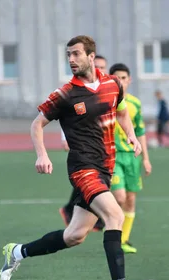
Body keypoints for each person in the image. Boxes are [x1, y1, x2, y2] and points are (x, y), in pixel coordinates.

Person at [0, 35, 143, 280]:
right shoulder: (65, 94)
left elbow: (122, 112)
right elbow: (36, 124)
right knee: (114, 215)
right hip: (82, 169)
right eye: (68, 55)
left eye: (76, 54)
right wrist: (42, 154)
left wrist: (132, 136)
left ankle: (17, 252)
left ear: (91, 56)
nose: (71, 60)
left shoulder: (112, 84)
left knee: (75, 235)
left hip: (104, 170)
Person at [59, 55, 108, 231]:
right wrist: (65, 138)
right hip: (85, 149)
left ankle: (78, 212)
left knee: (74, 236)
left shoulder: (108, 90)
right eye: (98, 66)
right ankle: (103, 217)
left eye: (103, 67)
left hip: (105, 148)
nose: (100, 70)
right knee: (94, 182)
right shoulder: (77, 91)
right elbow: (66, 116)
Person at [108, 63, 152, 254]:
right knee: (120, 197)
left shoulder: (135, 103)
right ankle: (110, 226)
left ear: (129, 80)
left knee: (131, 200)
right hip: (113, 156)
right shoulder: (105, 102)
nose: (121, 81)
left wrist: (146, 159)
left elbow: (140, 131)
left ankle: (123, 240)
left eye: (124, 78)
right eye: (117, 78)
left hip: (132, 158)